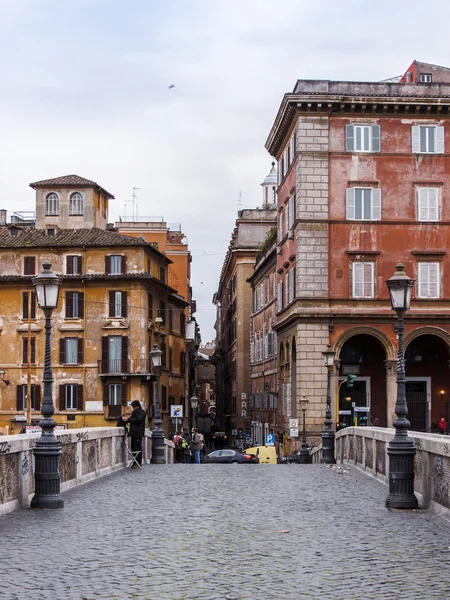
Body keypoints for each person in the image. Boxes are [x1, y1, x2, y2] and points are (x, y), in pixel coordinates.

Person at [121, 400, 146, 467]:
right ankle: (135, 463)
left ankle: (138, 463)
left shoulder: (142, 412)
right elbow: (132, 419)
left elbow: (138, 420)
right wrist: (126, 419)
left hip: (138, 433)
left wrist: (128, 419)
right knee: (133, 448)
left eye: (134, 406)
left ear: (137, 406)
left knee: (138, 448)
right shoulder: (134, 412)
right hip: (133, 433)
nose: (133, 408)